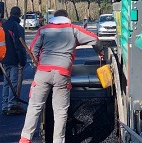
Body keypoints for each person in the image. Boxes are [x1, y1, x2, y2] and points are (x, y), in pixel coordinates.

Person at [19, 9, 103, 143]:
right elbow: (94, 39)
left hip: (43, 72)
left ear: (53, 18)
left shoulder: (44, 30)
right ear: (67, 17)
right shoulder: (73, 29)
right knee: (60, 111)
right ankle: (58, 140)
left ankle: (25, 139)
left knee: (35, 106)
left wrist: (37, 65)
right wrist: (100, 52)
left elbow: (33, 48)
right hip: (62, 73)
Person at [1, 6, 27, 115]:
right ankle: (11, 104)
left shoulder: (3, 26)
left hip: (3, 58)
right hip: (14, 58)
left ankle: (5, 104)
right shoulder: (17, 27)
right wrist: (22, 60)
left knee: (6, 82)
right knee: (14, 81)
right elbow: (20, 46)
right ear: (19, 14)